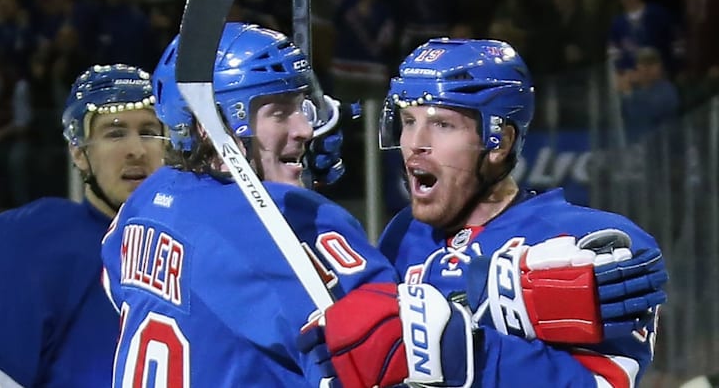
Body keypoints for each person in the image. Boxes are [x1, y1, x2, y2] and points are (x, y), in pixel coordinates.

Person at [298, 38, 668, 387]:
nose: (415, 144)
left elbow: (606, 382)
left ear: (500, 142)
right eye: (409, 121)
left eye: (442, 124)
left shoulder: (588, 240)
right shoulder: (405, 233)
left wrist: (470, 352)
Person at [100, 22, 399, 387]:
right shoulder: (298, 222)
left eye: (301, 106)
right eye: (279, 112)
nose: (305, 128)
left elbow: (115, 282)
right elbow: (384, 359)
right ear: (209, 127)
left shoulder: (148, 197)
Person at [0, 64, 166, 387]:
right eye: (115, 133)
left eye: (148, 131)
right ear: (78, 153)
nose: (136, 150)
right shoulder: (32, 241)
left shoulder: (201, 241)